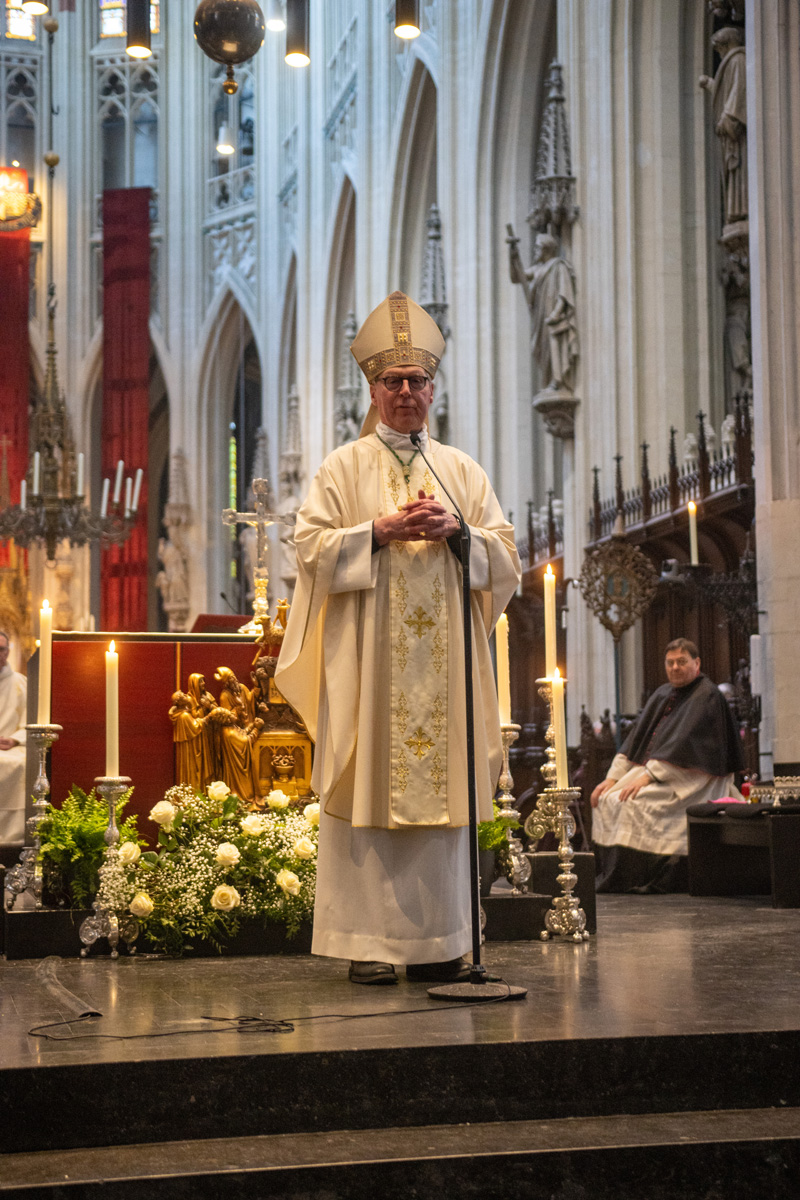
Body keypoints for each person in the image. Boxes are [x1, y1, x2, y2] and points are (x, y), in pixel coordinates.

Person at [275, 291, 521, 984]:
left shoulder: (461, 471)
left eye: (416, 380)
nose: (406, 391)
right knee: (367, 791)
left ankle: (444, 943)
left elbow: (507, 557)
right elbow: (308, 548)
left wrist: (461, 533)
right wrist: (378, 533)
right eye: (393, 381)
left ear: (432, 389)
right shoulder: (343, 468)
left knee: (444, 800)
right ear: (374, 391)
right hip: (370, 675)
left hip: (446, 681)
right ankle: (368, 944)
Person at [590, 638, 744, 893]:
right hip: (659, 771)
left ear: (697, 663)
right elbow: (635, 740)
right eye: (670, 662)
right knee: (607, 798)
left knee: (634, 804)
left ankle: (642, 878)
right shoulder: (662, 693)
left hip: (694, 779)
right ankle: (616, 877)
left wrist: (649, 776)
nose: (675, 667)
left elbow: (689, 747)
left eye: (681, 662)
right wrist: (612, 778)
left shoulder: (707, 696)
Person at [0, 631, 28, 845]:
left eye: (1, 649)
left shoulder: (20, 682)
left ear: (8, 651)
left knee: (20, 764)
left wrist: (15, 739)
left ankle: (12, 839)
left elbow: (31, 719)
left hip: (10, 746)